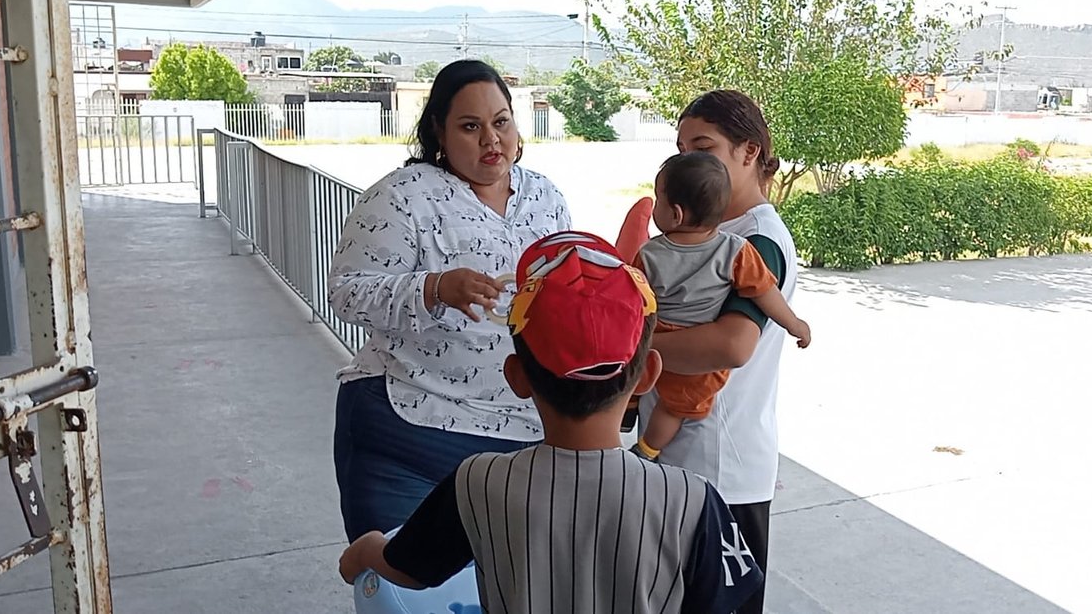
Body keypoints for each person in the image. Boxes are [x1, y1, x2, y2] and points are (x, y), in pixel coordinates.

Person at [338, 232, 764, 614]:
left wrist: (365, 553)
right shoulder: (692, 499)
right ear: (648, 375)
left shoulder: (477, 481)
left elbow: (410, 570)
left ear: (517, 377)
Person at [328, 59, 571, 543]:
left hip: (522, 436)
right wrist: (434, 288)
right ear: (439, 131)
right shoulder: (402, 195)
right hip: (409, 431)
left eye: (501, 122)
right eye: (470, 126)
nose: (491, 140)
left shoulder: (546, 197)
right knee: (410, 590)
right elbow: (347, 291)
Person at [625, 90, 799, 614]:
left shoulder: (758, 240)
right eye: (681, 149)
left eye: (704, 146)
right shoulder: (704, 234)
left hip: (722, 470)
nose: (689, 162)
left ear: (749, 152)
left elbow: (730, 345)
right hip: (682, 462)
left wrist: (636, 344)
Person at [629, 152, 810, 462]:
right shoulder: (736, 250)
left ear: (675, 214)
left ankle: (631, 412)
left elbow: (636, 303)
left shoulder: (649, 254)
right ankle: (647, 449)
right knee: (674, 407)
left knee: (639, 379)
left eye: (657, 200)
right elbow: (765, 292)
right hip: (698, 365)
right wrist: (794, 323)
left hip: (658, 340)